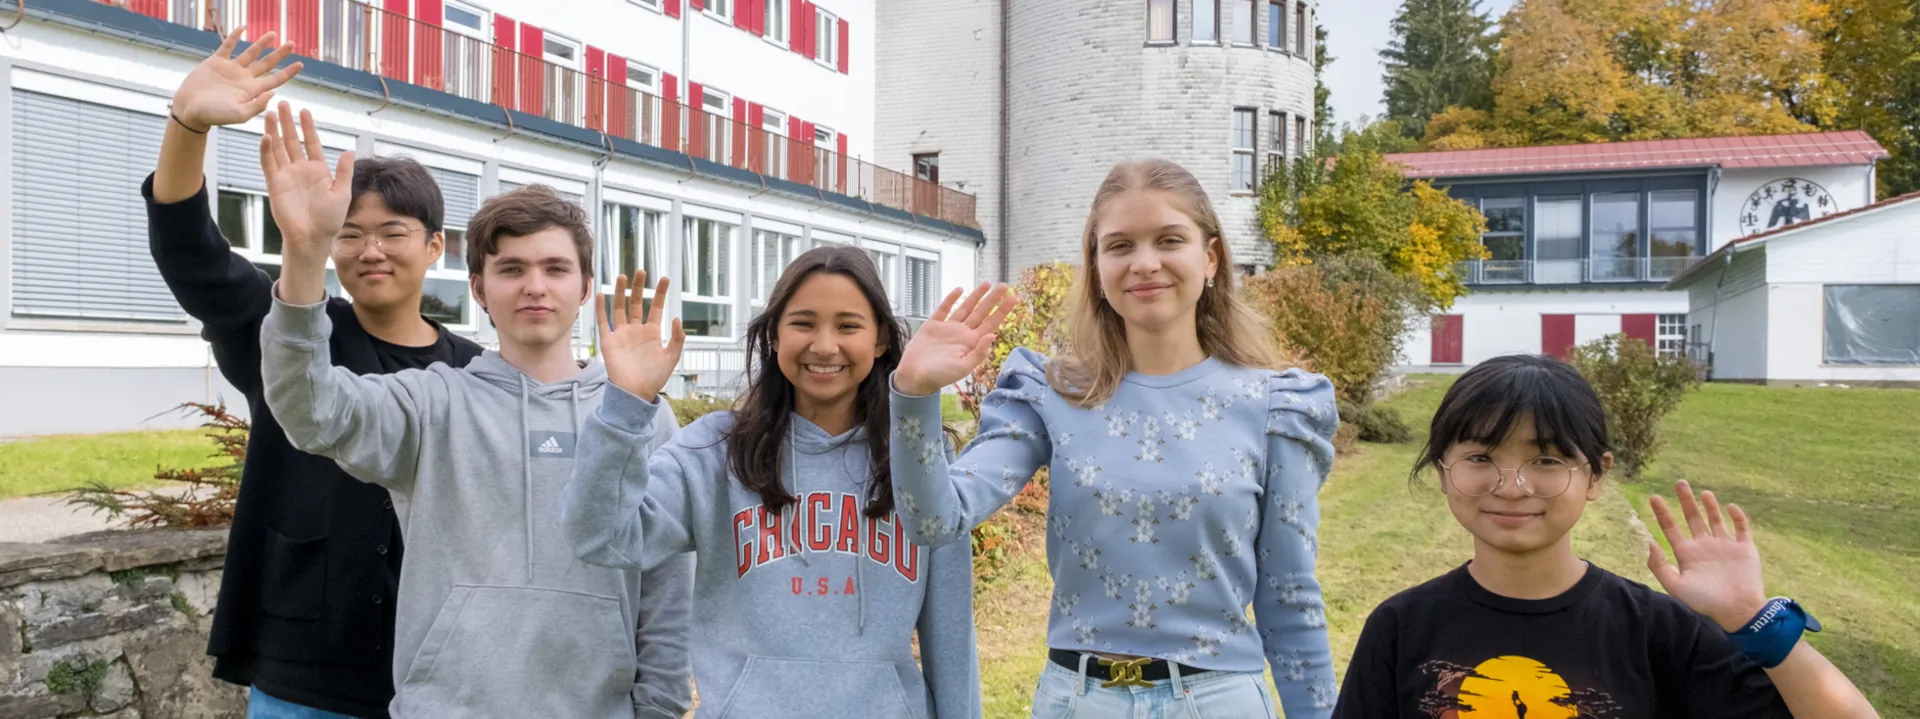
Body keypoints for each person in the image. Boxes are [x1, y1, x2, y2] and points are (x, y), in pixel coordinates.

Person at [253, 101, 694, 718]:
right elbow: (311, 410)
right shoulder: (431, 401)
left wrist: (660, 710)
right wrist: (304, 253)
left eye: (555, 268)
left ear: (584, 286)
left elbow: (669, 589)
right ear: (481, 289)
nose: (534, 286)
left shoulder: (644, 416)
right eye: (511, 269)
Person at [887, 159, 1339, 718]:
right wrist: (912, 395)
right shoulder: (1050, 395)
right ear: (1097, 266)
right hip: (1079, 701)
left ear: (1211, 257)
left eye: (1169, 239)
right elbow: (934, 521)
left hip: (1220, 701)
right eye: (1120, 245)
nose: (1145, 263)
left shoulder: (1275, 407)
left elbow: (1290, 600)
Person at [145, 29, 483, 718]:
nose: (371, 250)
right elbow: (190, 251)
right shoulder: (287, 328)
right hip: (304, 669)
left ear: (436, 247)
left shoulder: (479, 373)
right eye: (349, 232)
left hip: (443, 671)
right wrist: (187, 124)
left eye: (393, 231)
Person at [560, 245, 982, 719]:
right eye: (803, 323)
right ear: (775, 336)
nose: (824, 346)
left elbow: (951, 632)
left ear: (882, 338)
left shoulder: (918, 459)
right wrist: (626, 405)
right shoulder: (714, 452)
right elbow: (600, 537)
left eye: (848, 325)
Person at [1332, 354, 1880, 718]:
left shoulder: (1658, 632)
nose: (1513, 486)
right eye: (1480, 457)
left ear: (1596, 475)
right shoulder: (1403, 626)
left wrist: (1750, 619)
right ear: (1442, 469)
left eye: (1546, 458)